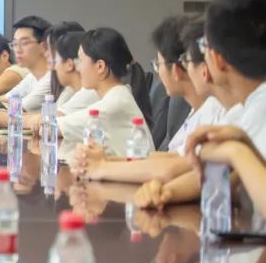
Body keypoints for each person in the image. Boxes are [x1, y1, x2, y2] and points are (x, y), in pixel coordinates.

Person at [138, 0, 266, 209]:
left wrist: (234, 151)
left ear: (217, 59)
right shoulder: (248, 107)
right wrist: (167, 191)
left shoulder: (260, 107)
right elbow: (235, 177)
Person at [75, 15, 218, 183]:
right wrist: (105, 162)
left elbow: (174, 168)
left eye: (158, 64)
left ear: (177, 69)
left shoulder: (213, 112)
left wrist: (101, 167)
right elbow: (172, 158)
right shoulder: (196, 110)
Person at [57, 26, 151, 158]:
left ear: (100, 66)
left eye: (80, 60)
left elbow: (52, 127)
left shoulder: (115, 103)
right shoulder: (118, 95)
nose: (78, 68)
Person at [23, 29, 97, 132]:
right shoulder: (70, 89)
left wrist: (5, 117)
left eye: (56, 60)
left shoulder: (90, 92)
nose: (54, 67)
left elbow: (48, 123)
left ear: (69, 64)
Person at [0, 15, 54, 113]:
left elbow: (17, 110)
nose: (18, 50)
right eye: (15, 44)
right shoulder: (31, 77)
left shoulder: (52, 79)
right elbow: (4, 99)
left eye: (24, 43)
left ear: (44, 46)